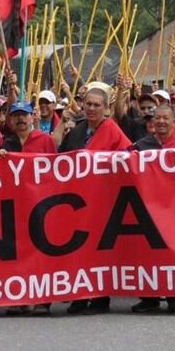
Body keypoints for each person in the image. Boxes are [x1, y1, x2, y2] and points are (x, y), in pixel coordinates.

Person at [57, 87, 133, 315]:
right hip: (78, 201)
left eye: (96, 105)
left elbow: (129, 158)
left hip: (103, 200)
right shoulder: (77, 132)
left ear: (106, 108)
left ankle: (100, 296)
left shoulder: (112, 130)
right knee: (79, 249)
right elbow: (60, 161)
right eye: (87, 104)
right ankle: (80, 295)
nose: (91, 109)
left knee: (100, 250)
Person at [129, 105, 175, 314]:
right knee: (148, 253)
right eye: (157, 119)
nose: (161, 122)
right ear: (152, 123)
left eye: (166, 118)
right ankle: (149, 298)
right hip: (148, 209)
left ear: (174, 119)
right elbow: (118, 163)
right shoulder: (140, 146)